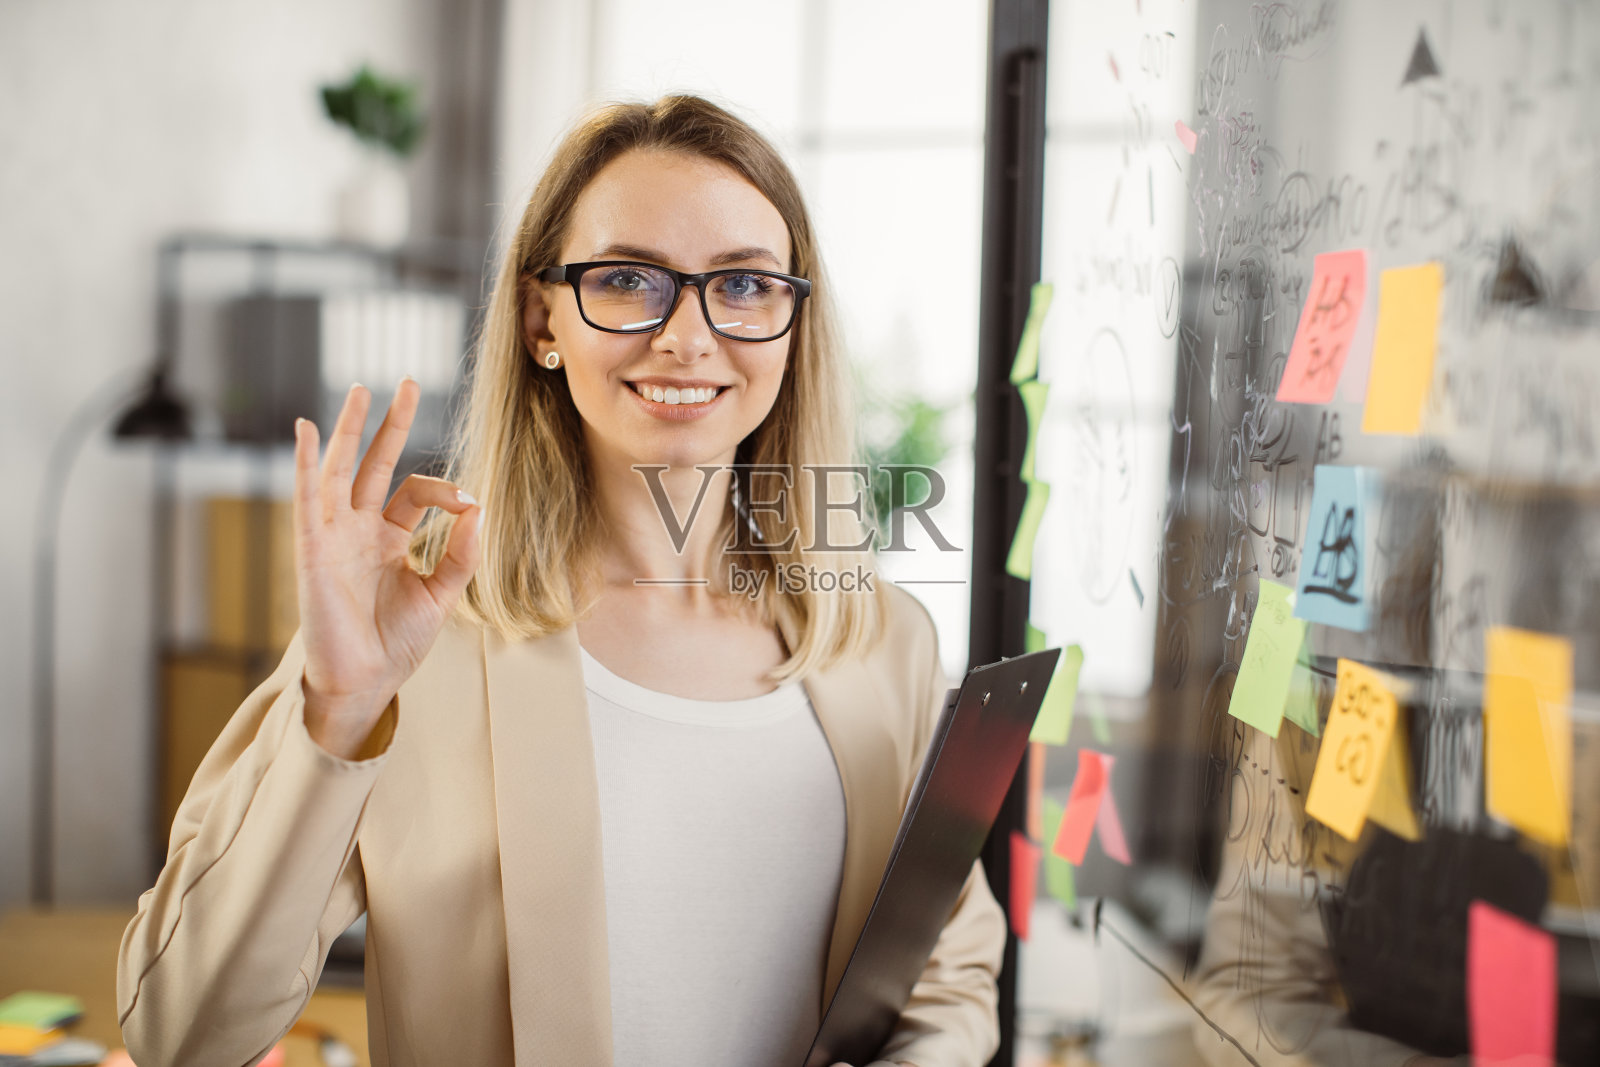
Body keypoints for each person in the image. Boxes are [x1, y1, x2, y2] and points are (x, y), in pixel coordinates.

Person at [116, 95, 1005, 1067]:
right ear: (542, 317)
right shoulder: (411, 637)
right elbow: (180, 1032)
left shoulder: (883, 641)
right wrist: (335, 714)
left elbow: (945, 977)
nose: (687, 336)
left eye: (745, 284)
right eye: (627, 278)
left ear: (794, 324)